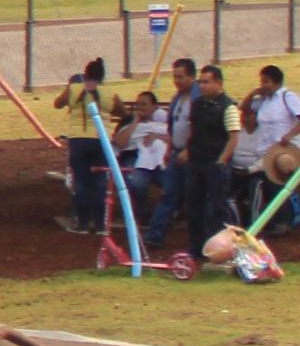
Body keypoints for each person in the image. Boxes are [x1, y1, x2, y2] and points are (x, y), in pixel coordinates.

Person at [234, 64, 300, 228]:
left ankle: (281, 220)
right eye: (261, 81)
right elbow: (244, 108)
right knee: (270, 183)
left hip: (284, 151)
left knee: (275, 183)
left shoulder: (288, 97)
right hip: (266, 150)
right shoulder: (264, 100)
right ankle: (278, 219)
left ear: (276, 82)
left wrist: (290, 135)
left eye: (266, 82)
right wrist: (254, 93)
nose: (263, 85)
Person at [178, 65, 240, 263]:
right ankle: (197, 250)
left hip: (215, 164)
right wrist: (188, 151)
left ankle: (220, 252)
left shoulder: (228, 107)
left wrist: (222, 161)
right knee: (194, 207)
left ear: (218, 83)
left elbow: (233, 137)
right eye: (201, 82)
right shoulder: (197, 105)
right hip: (196, 163)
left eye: (207, 82)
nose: (202, 86)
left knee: (217, 209)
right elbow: (194, 132)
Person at [53, 58, 110, 235]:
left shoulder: (74, 89)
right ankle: (100, 226)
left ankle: (83, 224)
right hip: (100, 140)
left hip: (78, 140)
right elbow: (122, 111)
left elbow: (57, 103)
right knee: (100, 183)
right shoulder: (108, 93)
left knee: (80, 181)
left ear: (86, 74)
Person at [150, 58, 200, 244]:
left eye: (181, 77)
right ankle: (155, 235)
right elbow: (173, 125)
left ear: (192, 77)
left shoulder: (197, 98)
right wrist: (169, 148)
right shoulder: (178, 98)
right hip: (176, 153)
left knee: (194, 197)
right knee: (169, 194)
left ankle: (198, 240)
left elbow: (198, 127)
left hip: (192, 155)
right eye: (175, 77)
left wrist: (188, 150)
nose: (177, 81)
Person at [115, 91, 170, 239]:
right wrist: (135, 122)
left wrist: (157, 136)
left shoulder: (162, 123)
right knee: (137, 182)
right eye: (137, 104)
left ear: (154, 107)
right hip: (134, 157)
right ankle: (142, 212)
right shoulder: (128, 122)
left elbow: (173, 138)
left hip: (159, 159)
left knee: (172, 183)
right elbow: (120, 143)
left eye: (144, 104)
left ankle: (165, 215)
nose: (140, 107)